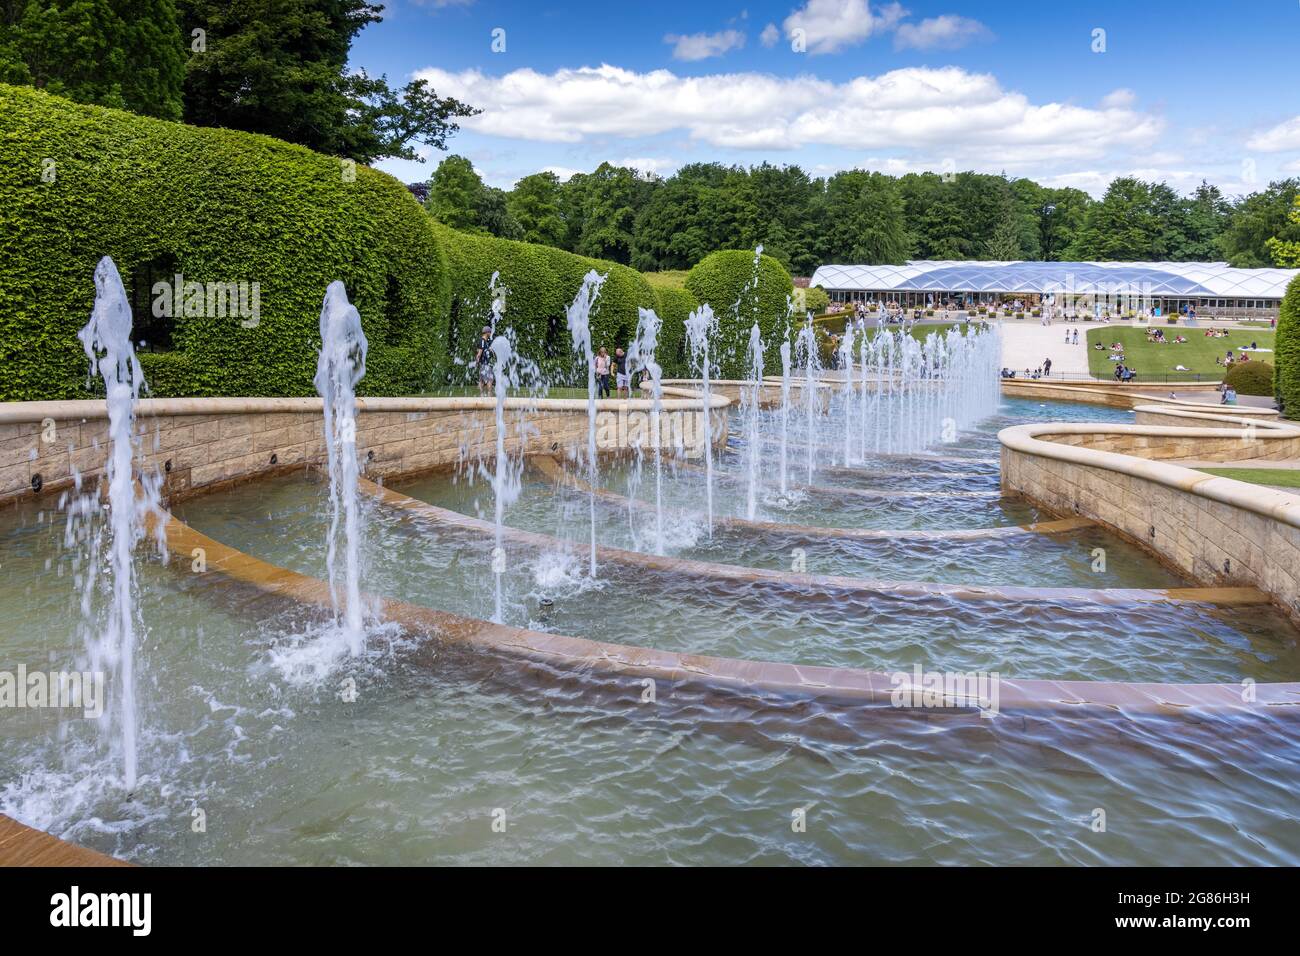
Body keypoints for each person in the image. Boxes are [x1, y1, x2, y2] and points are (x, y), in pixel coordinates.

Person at [474, 326, 494, 395]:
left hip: (484, 364)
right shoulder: (482, 341)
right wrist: (477, 362)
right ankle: (489, 396)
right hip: (485, 364)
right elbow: (479, 353)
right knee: (490, 380)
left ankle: (481, 396)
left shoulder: (485, 341)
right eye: (490, 332)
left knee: (481, 381)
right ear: (487, 332)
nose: (490, 333)